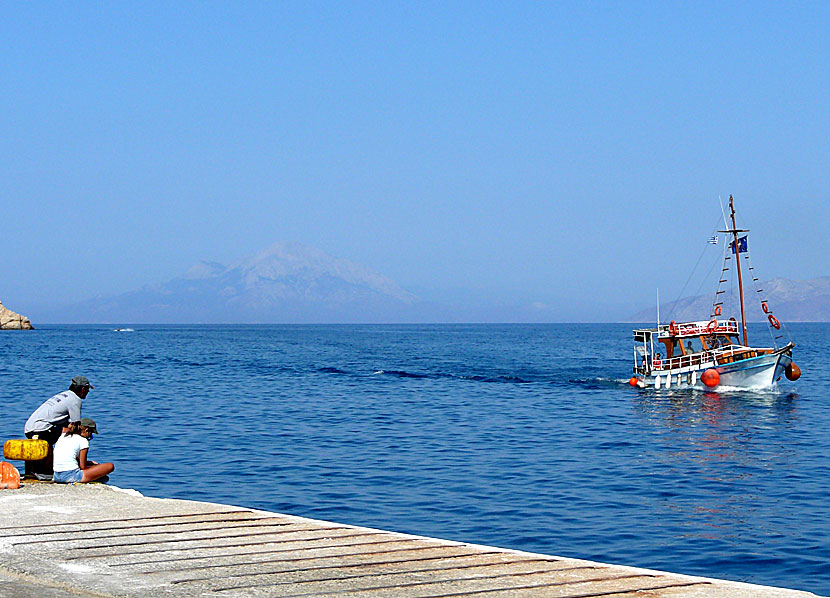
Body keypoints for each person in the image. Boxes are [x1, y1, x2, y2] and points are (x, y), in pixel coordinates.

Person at [23, 376, 94, 478]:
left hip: (30, 428)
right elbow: (75, 425)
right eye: (87, 390)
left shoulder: (64, 395)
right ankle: (67, 466)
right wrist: (85, 436)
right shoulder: (75, 400)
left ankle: (38, 469)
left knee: (64, 431)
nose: (87, 392)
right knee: (72, 433)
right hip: (41, 429)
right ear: (83, 389)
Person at [52, 418, 114, 484]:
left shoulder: (63, 436)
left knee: (103, 477)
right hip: (72, 475)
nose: (90, 435)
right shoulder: (83, 441)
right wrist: (94, 467)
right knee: (110, 466)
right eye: (91, 432)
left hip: (56, 475)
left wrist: (89, 463)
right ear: (87, 430)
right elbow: (83, 467)